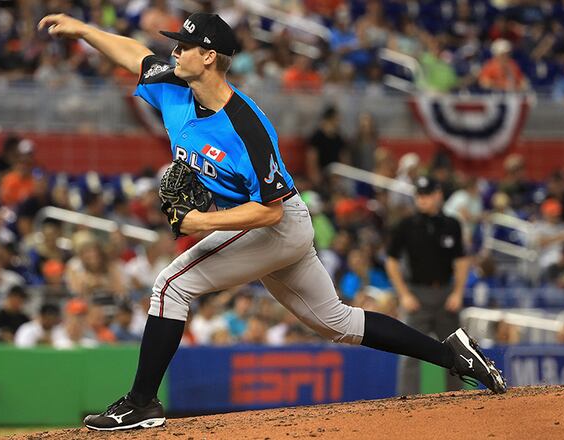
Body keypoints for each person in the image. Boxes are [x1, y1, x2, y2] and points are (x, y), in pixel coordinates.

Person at [39, 12, 506, 431]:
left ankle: (141, 402)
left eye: (183, 46)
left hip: (275, 226)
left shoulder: (247, 126)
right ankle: (454, 354)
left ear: (208, 56)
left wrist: (201, 222)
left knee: (170, 286)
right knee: (337, 322)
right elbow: (134, 55)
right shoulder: (172, 83)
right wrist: (83, 31)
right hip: (268, 228)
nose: (174, 51)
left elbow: (271, 209)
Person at [385, 176, 471, 396]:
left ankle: (458, 398)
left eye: (427, 195)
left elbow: (461, 260)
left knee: (456, 352)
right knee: (409, 350)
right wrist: (403, 294)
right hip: (417, 295)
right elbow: (391, 261)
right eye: (419, 195)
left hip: (446, 293)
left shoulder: (452, 224)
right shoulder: (406, 225)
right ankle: (406, 401)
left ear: (438, 194)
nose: (422, 200)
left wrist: (458, 292)